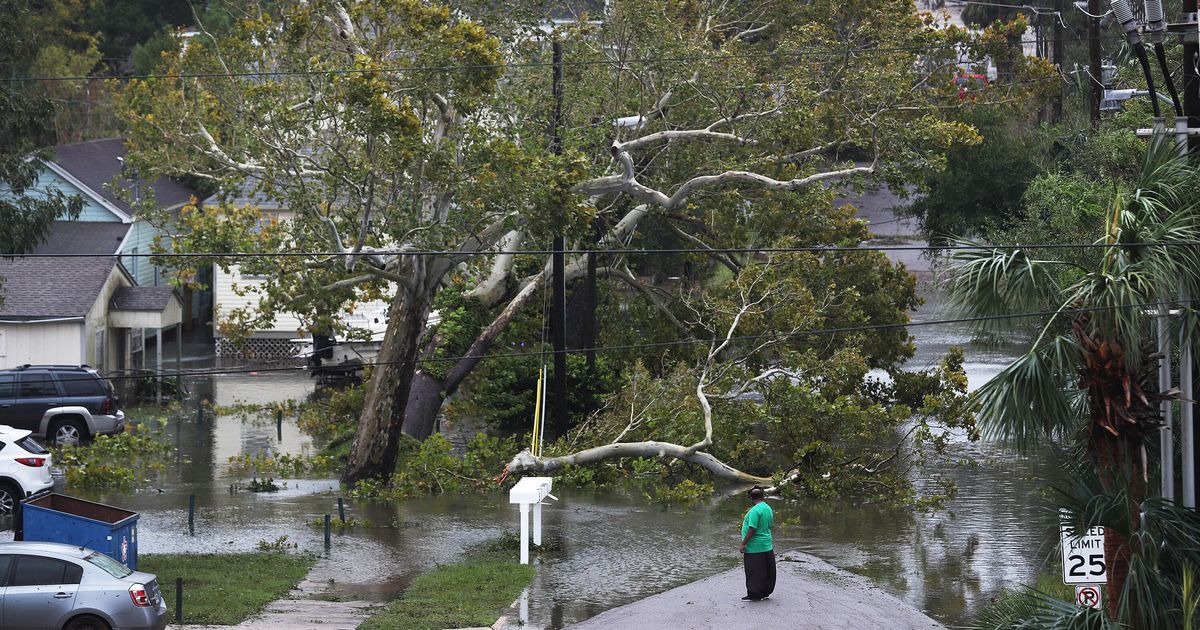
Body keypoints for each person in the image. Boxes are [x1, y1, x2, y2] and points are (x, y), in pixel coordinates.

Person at [739, 485, 775, 601]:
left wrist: (743, 543)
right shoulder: (768, 508)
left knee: (754, 571)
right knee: (765, 570)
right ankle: (764, 592)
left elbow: (752, 528)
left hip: (754, 547)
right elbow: (769, 525)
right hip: (766, 545)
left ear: (750, 498)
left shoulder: (754, 511)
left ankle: (754, 594)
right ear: (763, 496)